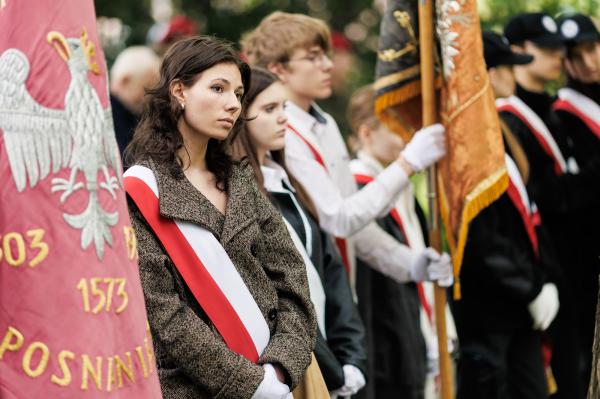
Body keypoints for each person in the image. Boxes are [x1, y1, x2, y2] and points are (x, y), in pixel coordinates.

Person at [123, 36, 316, 399]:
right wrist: (250, 384)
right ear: (179, 91)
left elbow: (292, 281)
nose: (233, 104)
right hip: (189, 389)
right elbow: (165, 314)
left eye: (239, 94)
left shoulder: (241, 182)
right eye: (218, 88)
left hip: (276, 379)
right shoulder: (140, 192)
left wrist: (279, 367)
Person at [241, 11, 453, 292]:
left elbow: (355, 222)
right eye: (313, 57)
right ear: (279, 69)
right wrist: (407, 163)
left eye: (326, 55)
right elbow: (338, 219)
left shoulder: (324, 123)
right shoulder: (281, 135)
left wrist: (409, 262)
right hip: (309, 292)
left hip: (344, 290)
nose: (328, 65)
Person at [229, 67, 368, 398]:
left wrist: (352, 356)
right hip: (291, 360)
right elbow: (277, 294)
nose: (282, 119)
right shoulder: (237, 194)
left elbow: (330, 268)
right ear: (240, 120)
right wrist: (332, 368)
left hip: (330, 353)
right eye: (269, 109)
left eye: (284, 108)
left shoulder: (288, 182)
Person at [450, 31, 561, 399]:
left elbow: (528, 214)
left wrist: (542, 280)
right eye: (509, 69)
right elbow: (483, 235)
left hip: (519, 304)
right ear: (490, 75)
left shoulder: (499, 132)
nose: (515, 78)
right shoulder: (466, 142)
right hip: (489, 310)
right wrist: (529, 286)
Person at [503, 14, 600, 398]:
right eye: (549, 49)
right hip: (558, 265)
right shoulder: (524, 115)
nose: (561, 58)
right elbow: (549, 198)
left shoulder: (547, 110)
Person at [346, 84, 440, 399]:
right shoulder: (359, 190)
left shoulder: (399, 187)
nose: (407, 135)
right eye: (396, 125)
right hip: (387, 344)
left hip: (412, 333)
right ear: (367, 133)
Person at [554, 13, 600, 393]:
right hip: (587, 258)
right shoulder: (561, 116)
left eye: (592, 49)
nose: (587, 63)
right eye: (575, 56)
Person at [109, 46, 160, 158]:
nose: (150, 97)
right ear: (125, 81)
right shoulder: (105, 115)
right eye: (147, 89)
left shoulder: (133, 113)